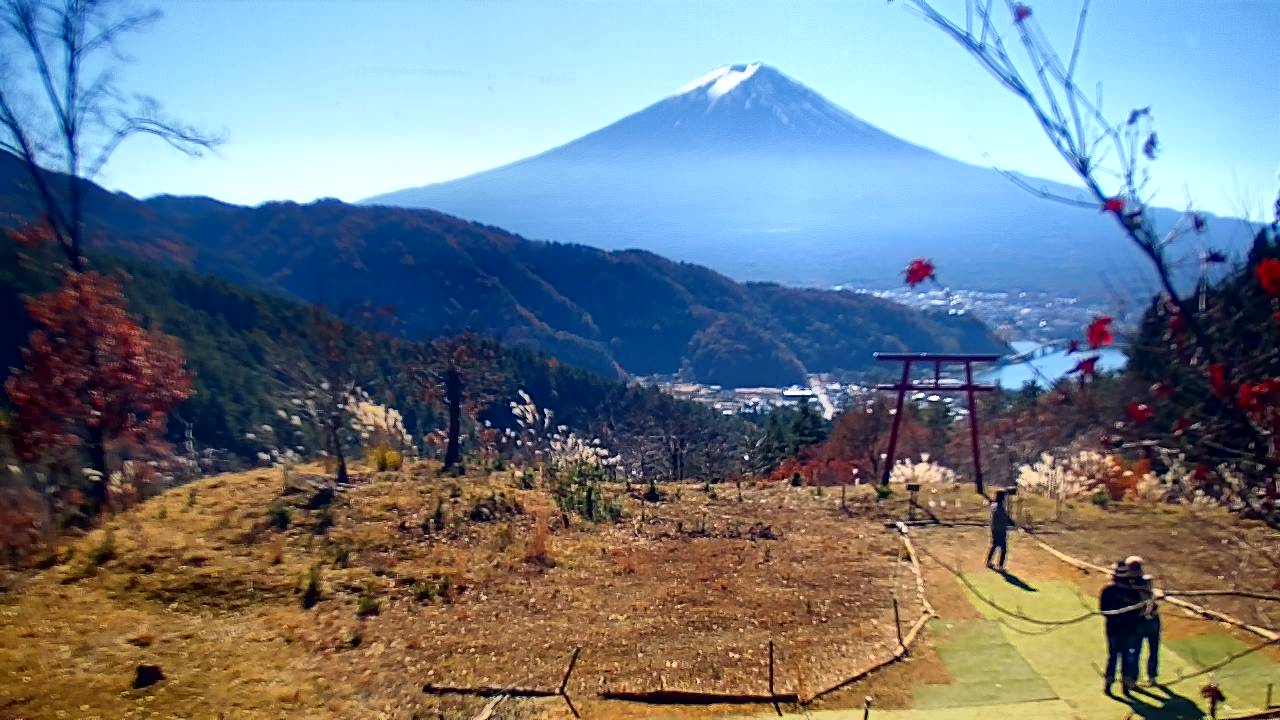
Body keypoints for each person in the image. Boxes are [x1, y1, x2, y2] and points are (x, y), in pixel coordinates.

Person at [1100, 560, 1142, 695]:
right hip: (1125, 630)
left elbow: (1103, 610)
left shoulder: (1108, 590)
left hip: (1116, 630)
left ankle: (1111, 684)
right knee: (1125, 658)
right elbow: (1137, 611)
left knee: (1114, 657)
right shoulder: (1131, 592)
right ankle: (1123, 685)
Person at [1126, 555, 1161, 685]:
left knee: (1135, 652)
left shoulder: (1129, 586)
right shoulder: (1147, 581)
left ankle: (1133, 679)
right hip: (1152, 620)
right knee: (1152, 650)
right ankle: (1151, 677)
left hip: (1139, 623)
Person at [985, 489, 1015, 571]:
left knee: (994, 545)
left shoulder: (994, 505)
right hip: (1000, 530)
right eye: (1003, 497)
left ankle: (988, 562)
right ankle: (1000, 566)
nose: (1004, 499)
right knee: (1003, 549)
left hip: (994, 529)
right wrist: (1011, 522)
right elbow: (1004, 518)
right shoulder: (999, 507)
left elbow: (1004, 517)